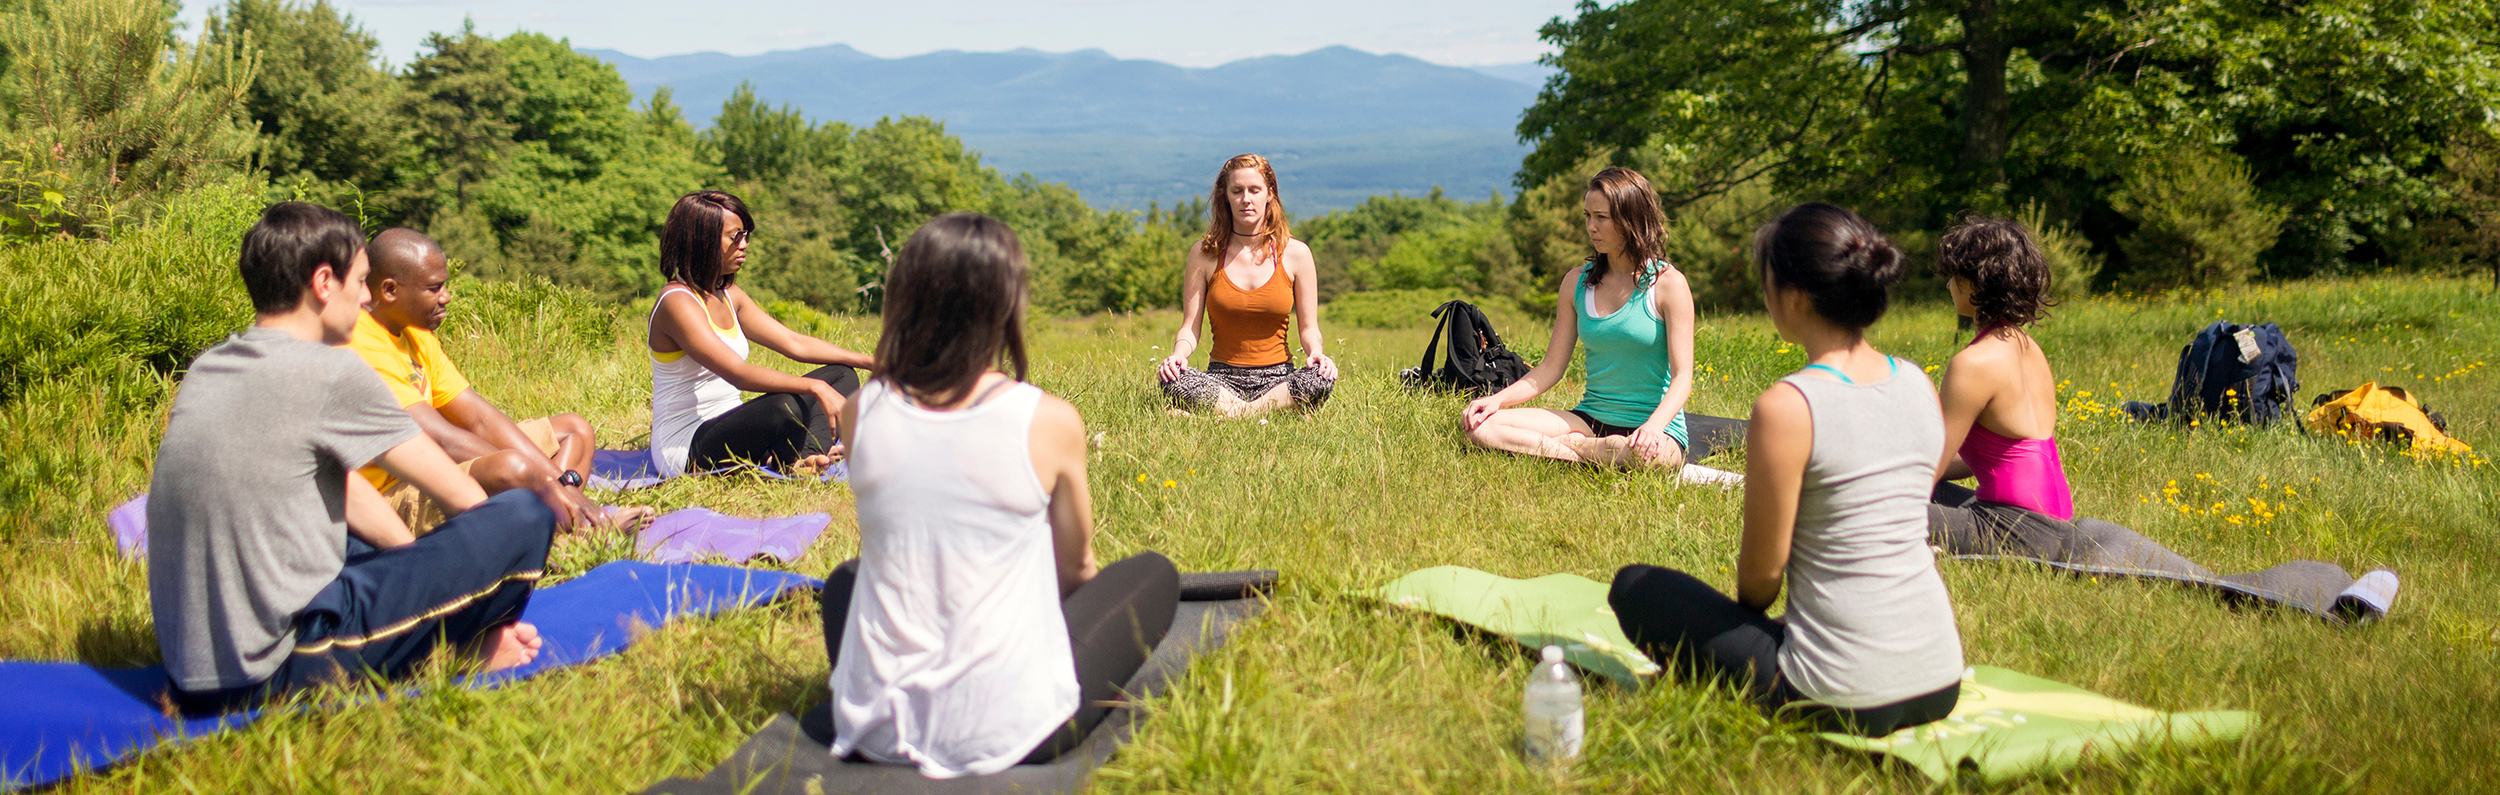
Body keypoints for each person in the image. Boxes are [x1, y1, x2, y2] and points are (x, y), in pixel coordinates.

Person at [149, 202, 561, 713]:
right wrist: (464, 595)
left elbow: (344, 487)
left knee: (357, 537)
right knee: (522, 515)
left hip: (192, 668)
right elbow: (466, 502)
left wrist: (412, 562)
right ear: (325, 282)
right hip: (281, 666)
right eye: (362, 282)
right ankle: (462, 647)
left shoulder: (210, 367)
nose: (366, 299)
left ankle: (435, 633)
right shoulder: (331, 372)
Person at [822, 212, 1181, 778]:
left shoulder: (860, 410)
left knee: (845, 580)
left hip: (876, 728)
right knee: (1154, 574)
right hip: (1017, 731)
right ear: (1004, 305)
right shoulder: (1047, 419)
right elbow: (1076, 569)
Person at [1925, 217, 2397, 620]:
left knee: (1873, 508)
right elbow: (1996, 455)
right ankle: (2329, 585)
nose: (1948, 285)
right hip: (2047, 516)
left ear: (1974, 282)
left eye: (1953, 275)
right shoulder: (2028, 350)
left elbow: (1925, 467)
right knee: (1928, 497)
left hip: (2015, 529)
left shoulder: (1974, 363)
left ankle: (2327, 602)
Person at [1608, 203, 1962, 737]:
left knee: (1636, 587)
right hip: (1940, 678)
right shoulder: (1915, 382)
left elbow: (1759, 582)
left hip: (1837, 694)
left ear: (1793, 297)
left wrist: (1748, 622)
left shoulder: (1788, 406)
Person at [347, 228, 653, 533]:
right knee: (513, 468)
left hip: (434, 467)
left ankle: (562, 525)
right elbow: (441, 439)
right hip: (392, 494)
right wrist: (546, 480)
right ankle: (575, 530)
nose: (446, 297)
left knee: (575, 430)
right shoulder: (362, 343)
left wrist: (557, 483)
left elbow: (480, 418)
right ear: (389, 290)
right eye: (434, 288)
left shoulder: (414, 332)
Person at [1461, 167, 1697, 469]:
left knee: (1644, 457)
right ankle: (1591, 451)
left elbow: (1682, 377)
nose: (1591, 227)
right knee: (1480, 426)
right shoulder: (1576, 283)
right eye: (1587, 216)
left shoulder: (1669, 285)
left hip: (1654, 428)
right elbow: (1550, 367)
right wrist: (1496, 401)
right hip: (1588, 419)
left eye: (1601, 217)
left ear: (1630, 220)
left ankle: (1565, 450)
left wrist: (1653, 427)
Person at [647, 190, 874, 478]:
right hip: (685, 447)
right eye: (736, 236)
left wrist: (871, 361)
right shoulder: (677, 302)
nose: (745, 245)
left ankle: (805, 458)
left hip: (732, 423)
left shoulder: (729, 295)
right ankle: (793, 455)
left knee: (842, 375)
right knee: (785, 404)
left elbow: (795, 343)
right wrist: (815, 388)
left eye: (746, 235)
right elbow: (737, 374)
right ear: (702, 239)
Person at [1155, 154, 1338, 418]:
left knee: (1321, 378)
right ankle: (1271, 415)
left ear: (1270, 194)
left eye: (1254, 190)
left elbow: (1309, 328)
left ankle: (1228, 416)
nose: (1246, 199)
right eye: (1237, 191)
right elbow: (1189, 327)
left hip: (1279, 380)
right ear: (1225, 196)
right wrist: (1177, 356)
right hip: (1221, 380)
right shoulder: (1204, 254)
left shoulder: (1297, 253)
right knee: (1170, 378)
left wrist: (1318, 355)